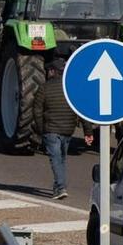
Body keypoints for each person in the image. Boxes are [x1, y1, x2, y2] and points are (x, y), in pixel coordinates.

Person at [41, 60, 75, 199]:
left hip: (51, 130)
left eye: (49, 70)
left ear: (53, 71)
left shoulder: (45, 88)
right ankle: (58, 186)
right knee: (61, 159)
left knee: (56, 159)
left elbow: (37, 109)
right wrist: (88, 131)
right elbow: (81, 110)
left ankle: (60, 187)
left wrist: (39, 128)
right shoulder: (71, 88)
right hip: (68, 130)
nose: (48, 73)